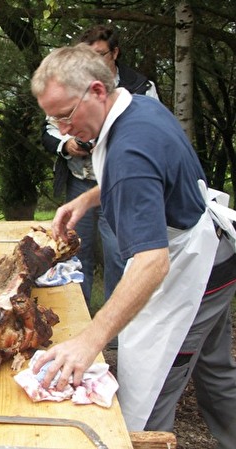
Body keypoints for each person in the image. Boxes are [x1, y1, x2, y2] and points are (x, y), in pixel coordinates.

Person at [30, 44, 236, 448]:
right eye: (52, 119)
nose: (63, 129)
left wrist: (91, 340)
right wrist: (88, 198)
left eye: (65, 115)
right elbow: (151, 176)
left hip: (193, 277)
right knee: (215, 371)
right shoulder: (137, 106)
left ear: (97, 91)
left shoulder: (129, 154)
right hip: (219, 259)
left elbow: (151, 263)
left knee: (150, 395)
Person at [42, 24, 158, 307]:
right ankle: (78, 314)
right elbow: (49, 130)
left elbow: (148, 139)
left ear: (115, 53)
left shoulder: (140, 88)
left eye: (99, 55)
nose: (93, 63)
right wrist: (66, 145)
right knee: (75, 252)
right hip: (80, 181)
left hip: (120, 185)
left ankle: (118, 323)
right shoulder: (73, 87)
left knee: (119, 252)